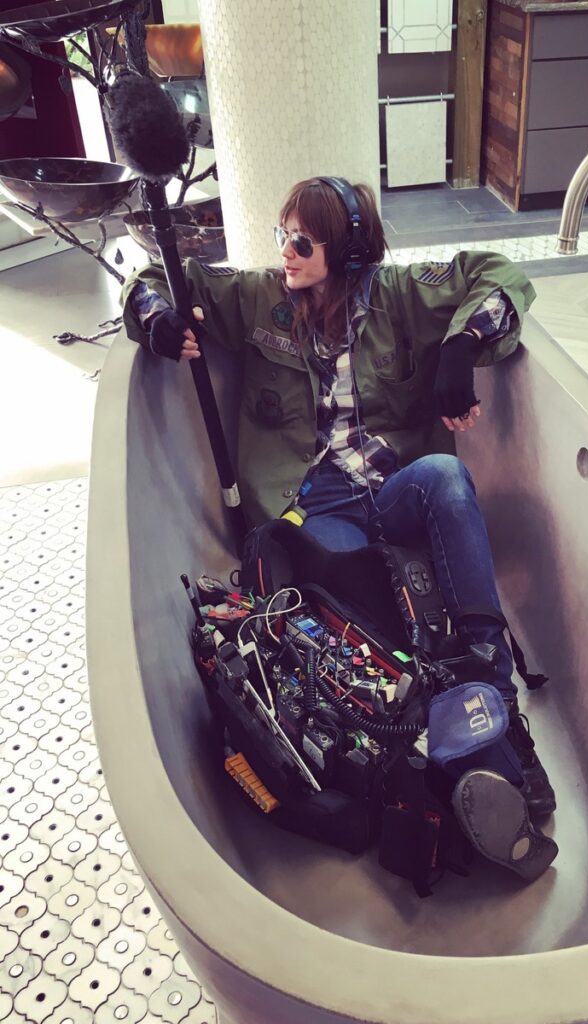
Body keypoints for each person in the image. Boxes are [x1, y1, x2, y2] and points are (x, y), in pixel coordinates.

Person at [121, 176, 557, 881]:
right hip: (313, 508)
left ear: (348, 251)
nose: (285, 252)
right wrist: (157, 322)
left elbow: (501, 275)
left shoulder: (401, 295)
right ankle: (437, 759)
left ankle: (495, 696)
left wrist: (464, 343)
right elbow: (156, 279)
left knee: (447, 478)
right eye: (282, 235)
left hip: (393, 487)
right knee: (368, 626)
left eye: (301, 241)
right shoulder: (260, 299)